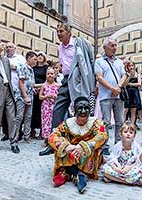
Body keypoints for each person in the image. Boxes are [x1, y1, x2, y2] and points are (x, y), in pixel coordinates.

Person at [39, 22, 95, 156]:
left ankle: (85, 142)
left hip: (78, 80)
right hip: (65, 79)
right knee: (58, 108)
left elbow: (89, 61)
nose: (59, 34)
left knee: (81, 109)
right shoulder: (60, 47)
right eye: (57, 31)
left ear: (69, 32)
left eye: (61, 31)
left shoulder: (78, 44)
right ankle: (52, 142)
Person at [48, 96, 107, 193]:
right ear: (74, 109)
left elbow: (102, 135)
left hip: (86, 155)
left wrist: (83, 146)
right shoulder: (67, 124)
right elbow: (53, 135)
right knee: (63, 147)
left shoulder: (96, 123)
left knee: (90, 151)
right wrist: (66, 146)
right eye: (80, 108)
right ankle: (70, 173)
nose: (83, 111)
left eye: (86, 108)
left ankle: (78, 173)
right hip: (70, 151)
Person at [95, 38, 129, 155]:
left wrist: (118, 87)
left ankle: (119, 144)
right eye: (111, 45)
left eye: (115, 45)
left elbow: (124, 75)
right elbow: (99, 78)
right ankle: (104, 145)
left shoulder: (119, 61)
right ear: (105, 48)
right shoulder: (99, 61)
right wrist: (112, 89)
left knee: (120, 121)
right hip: (105, 96)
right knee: (106, 122)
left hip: (118, 96)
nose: (114, 47)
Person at [3, 42, 27, 141]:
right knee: (6, 112)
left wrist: (15, 67)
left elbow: (25, 70)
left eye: (10, 47)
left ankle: (18, 132)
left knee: (18, 112)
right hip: (6, 88)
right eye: (7, 47)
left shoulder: (20, 58)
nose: (8, 49)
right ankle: (6, 133)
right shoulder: (3, 59)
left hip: (18, 88)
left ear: (15, 48)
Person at [14, 51, 37, 143]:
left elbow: (31, 83)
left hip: (30, 95)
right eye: (34, 59)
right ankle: (14, 137)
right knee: (19, 117)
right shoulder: (23, 67)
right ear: (29, 58)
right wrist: (25, 96)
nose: (36, 61)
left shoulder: (31, 69)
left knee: (28, 116)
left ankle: (26, 137)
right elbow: (21, 82)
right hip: (22, 96)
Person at [39, 67, 59, 145]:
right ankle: (46, 139)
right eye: (48, 74)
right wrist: (47, 96)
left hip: (54, 106)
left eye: (51, 73)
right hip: (46, 106)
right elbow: (40, 97)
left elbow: (60, 97)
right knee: (45, 123)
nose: (50, 75)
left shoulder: (57, 85)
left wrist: (55, 97)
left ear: (55, 75)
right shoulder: (44, 85)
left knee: (53, 122)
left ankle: (53, 139)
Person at [31, 51, 48, 139]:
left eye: (42, 55)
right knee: (34, 111)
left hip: (43, 91)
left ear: (44, 57)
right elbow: (31, 80)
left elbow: (48, 79)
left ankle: (42, 130)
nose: (40, 56)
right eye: (38, 55)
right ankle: (32, 130)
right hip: (34, 91)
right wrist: (34, 87)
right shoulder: (33, 68)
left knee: (42, 111)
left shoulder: (47, 67)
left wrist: (40, 87)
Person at [124, 62, 141, 126]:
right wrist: (129, 77)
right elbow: (124, 84)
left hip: (135, 93)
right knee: (125, 110)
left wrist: (130, 84)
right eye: (129, 66)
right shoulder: (126, 74)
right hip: (127, 93)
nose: (131, 67)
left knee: (133, 110)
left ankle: (132, 124)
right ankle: (123, 124)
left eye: (132, 65)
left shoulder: (137, 74)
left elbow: (139, 84)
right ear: (127, 67)